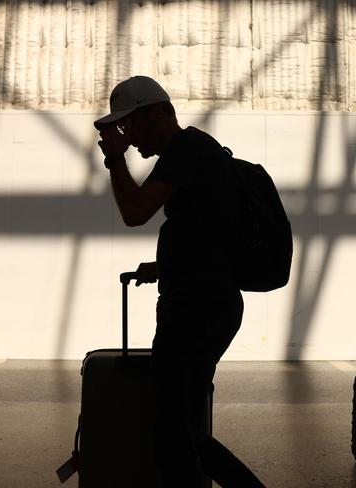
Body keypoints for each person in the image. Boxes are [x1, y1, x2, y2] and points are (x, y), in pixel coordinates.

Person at [94, 75, 265, 487]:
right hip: (207, 302)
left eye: (130, 124)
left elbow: (135, 212)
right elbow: (206, 235)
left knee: (177, 433)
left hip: (197, 309)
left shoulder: (185, 150)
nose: (128, 136)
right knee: (182, 426)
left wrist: (115, 159)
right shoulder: (198, 152)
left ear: (158, 113)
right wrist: (164, 266)